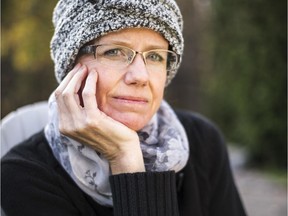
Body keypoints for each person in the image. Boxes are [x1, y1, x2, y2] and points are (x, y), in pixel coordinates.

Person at [1, 0, 247, 215]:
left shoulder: (202, 142)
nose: (140, 76)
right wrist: (125, 158)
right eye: (115, 52)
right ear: (70, 70)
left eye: (155, 56)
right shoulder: (24, 175)